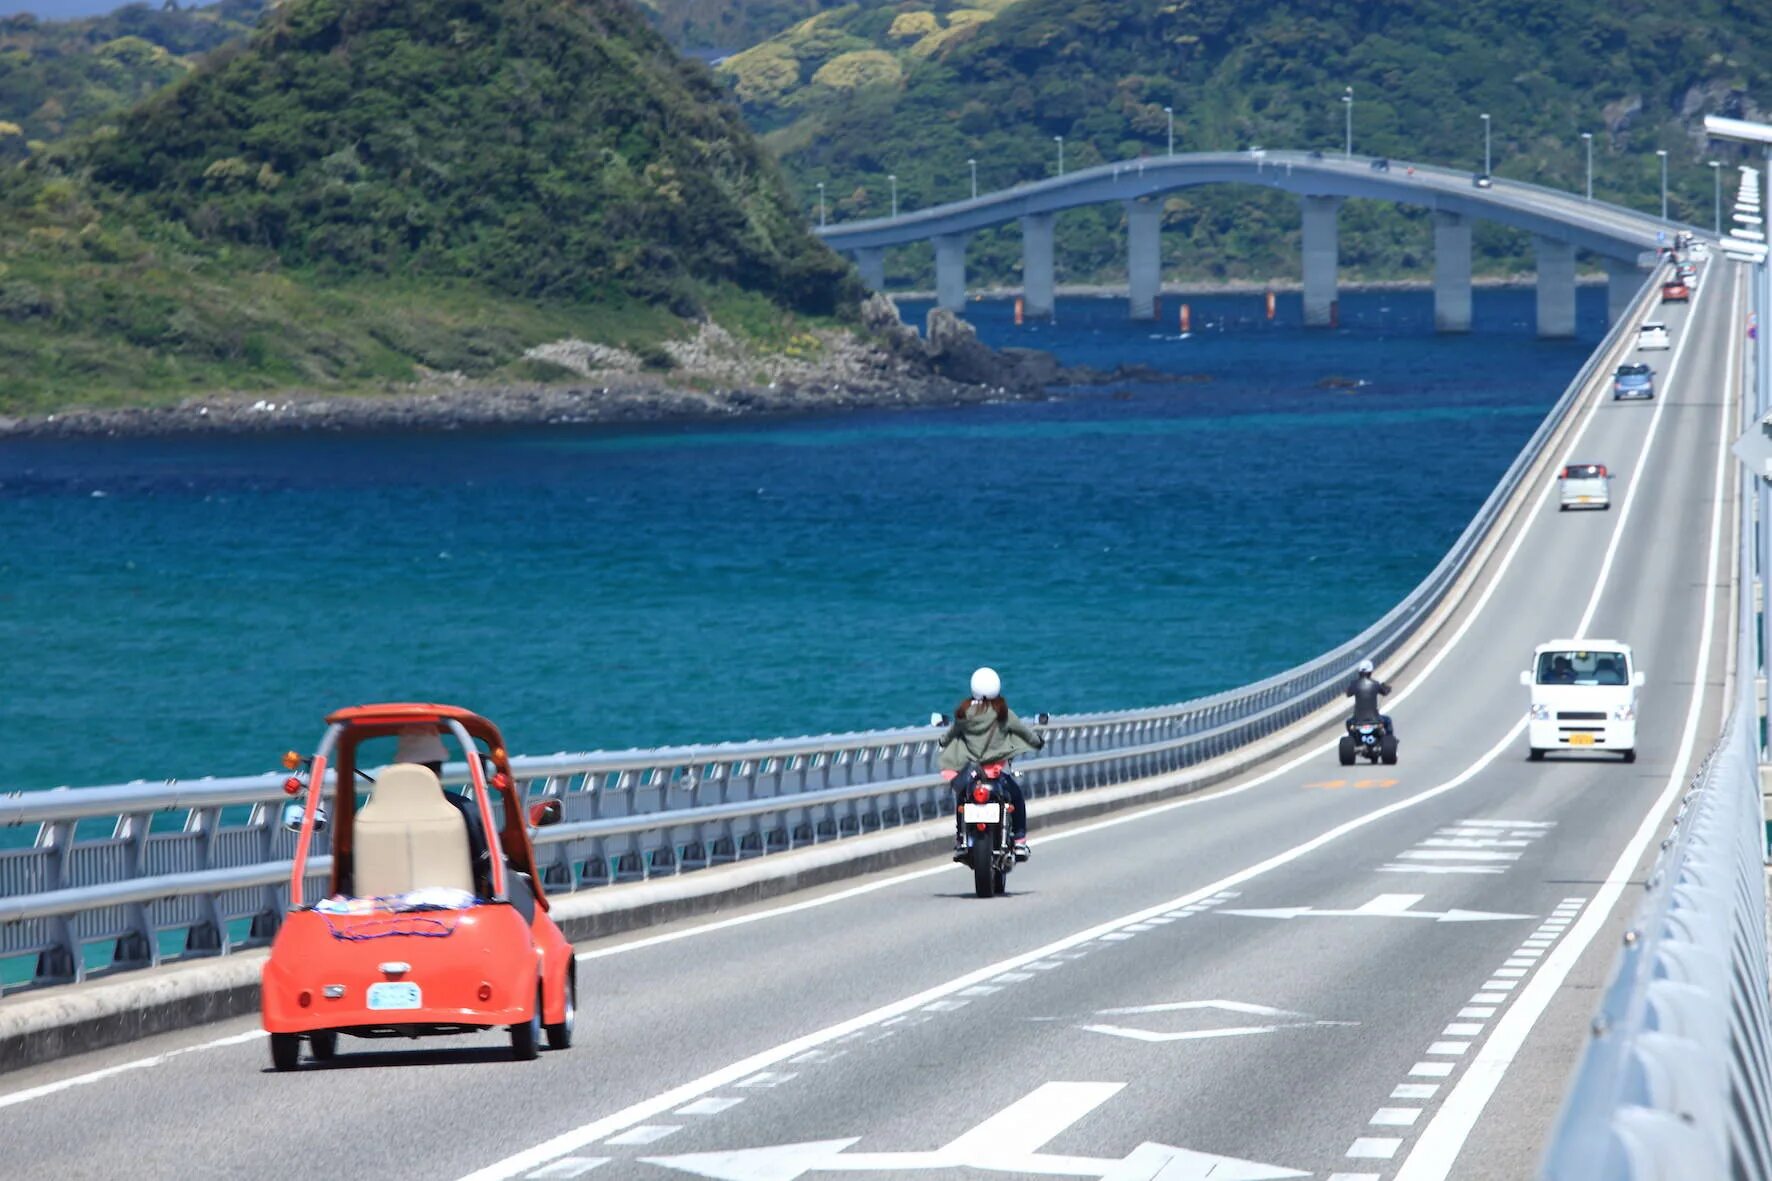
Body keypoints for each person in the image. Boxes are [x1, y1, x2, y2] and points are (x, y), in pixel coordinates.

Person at [940, 667, 1044, 861]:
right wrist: (1038, 742)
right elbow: (1024, 732)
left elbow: (950, 734)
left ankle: (961, 839)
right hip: (995, 774)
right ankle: (1020, 841)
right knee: (1017, 797)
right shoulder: (1004, 713)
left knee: (962, 798)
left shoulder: (965, 713)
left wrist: (942, 742)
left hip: (972, 774)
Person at [1345, 658, 1394, 737]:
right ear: (1370, 672)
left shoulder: (1354, 684)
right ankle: (1390, 739)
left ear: (1359, 672)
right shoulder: (1375, 684)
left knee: (1348, 722)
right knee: (1388, 720)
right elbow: (1385, 692)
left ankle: (1354, 739)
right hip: (1375, 719)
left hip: (1357, 720)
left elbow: (1348, 694)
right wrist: (1387, 688)